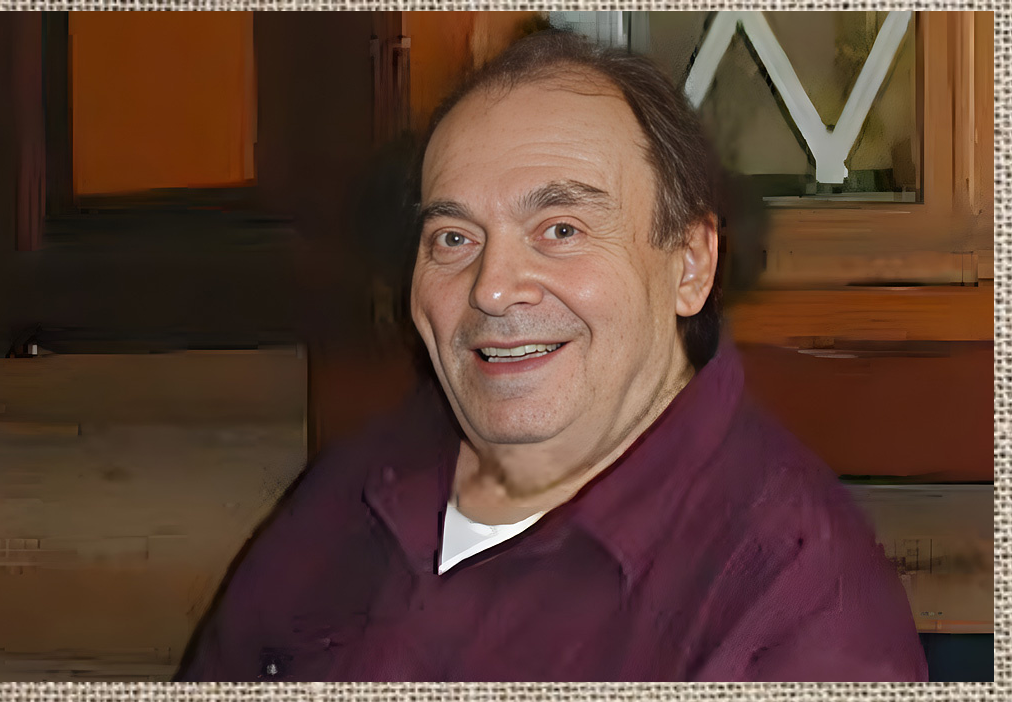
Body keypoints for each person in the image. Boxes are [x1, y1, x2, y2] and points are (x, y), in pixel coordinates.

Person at [176, 31, 927, 682]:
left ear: (690, 265)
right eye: (453, 239)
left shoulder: (796, 600)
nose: (493, 288)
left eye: (561, 230)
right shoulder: (355, 484)